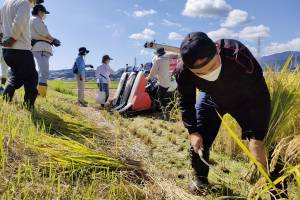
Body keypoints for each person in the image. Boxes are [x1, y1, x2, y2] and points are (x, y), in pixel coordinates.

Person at [176, 32, 286, 198]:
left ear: (217, 51)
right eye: (201, 73)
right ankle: (200, 179)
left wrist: (257, 136)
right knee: (199, 139)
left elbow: (259, 94)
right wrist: (193, 131)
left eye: (212, 67)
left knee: (266, 143)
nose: (208, 74)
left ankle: (277, 191)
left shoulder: (237, 54)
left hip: (243, 99)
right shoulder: (182, 71)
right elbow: (186, 101)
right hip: (211, 98)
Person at [0, 0, 44, 109]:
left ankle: (6, 98)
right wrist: (13, 38)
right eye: (35, 1)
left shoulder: (6, 3)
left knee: (17, 75)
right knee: (32, 76)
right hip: (20, 48)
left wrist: (2, 37)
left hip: (7, 51)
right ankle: (29, 106)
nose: (34, 4)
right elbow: (19, 21)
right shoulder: (24, 3)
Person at [30, 4, 61, 97]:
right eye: (43, 12)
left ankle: (39, 94)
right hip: (41, 48)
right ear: (39, 11)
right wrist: (53, 39)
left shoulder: (34, 20)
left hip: (41, 47)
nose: (44, 15)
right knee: (44, 72)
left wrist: (50, 41)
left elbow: (40, 34)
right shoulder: (36, 20)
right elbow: (43, 33)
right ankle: (40, 95)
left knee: (42, 71)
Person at [147, 48, 172, 120]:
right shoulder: (168, 59)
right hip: (168, 81)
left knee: (160, 98)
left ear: (158, 54)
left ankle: (165, 116)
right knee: (161, 96)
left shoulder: (158, 60)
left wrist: (148, 77)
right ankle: (162, 111)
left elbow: (153, 72)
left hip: (162, 82)